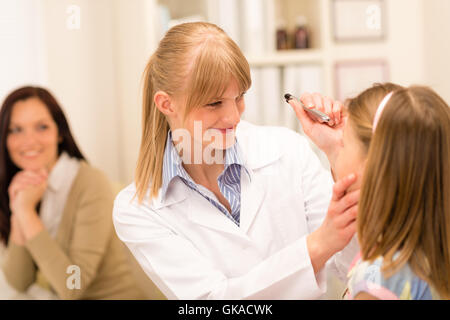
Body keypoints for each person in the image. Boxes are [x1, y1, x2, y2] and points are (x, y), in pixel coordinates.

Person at [113, 22, 360, 299]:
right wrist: (317, 246)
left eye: (239, 97)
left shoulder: (288, 149)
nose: (234, 117)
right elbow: (213, 299)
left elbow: (352, 262)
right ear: (166, 104)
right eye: (214, 103)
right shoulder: (137, 208)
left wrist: (339, 154)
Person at [0, 86, 147, 299]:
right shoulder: (23, 188)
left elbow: (73, 286)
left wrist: (26, 213)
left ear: (59, 133)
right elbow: (20, 281)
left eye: (41, 127)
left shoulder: (90, 183)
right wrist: (19, 212)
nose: (29, 141)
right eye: (16, 130)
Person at [327, 83, 449, 300]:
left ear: (371, 166)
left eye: (343, 143)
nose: (336, 150)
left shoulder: (377, 279)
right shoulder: (432, 256)